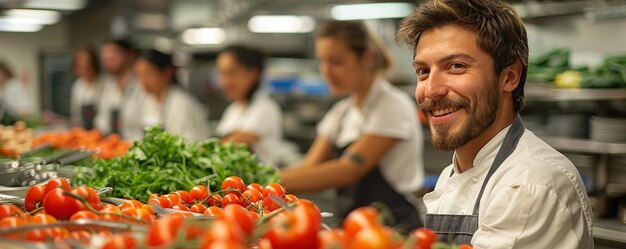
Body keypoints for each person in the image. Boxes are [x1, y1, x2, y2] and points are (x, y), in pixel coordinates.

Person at [396, 0, 593, 247]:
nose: (431, 90)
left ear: (509, 77)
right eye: (423, 71)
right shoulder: (453, 173)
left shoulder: (528, 185)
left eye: (456, 66)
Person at [280, 20, 425, 230]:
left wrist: (270, 179)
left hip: (394, 228)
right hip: (356, 226)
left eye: (336, 62)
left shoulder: (392, 105)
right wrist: (262, 180)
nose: (326, 71)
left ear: (366, 57)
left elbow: (348, 170)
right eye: (322, 61)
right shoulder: (341, 112)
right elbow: (309, 167)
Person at [215, 45, 282, 164]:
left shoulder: (264, 107)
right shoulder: (232, 110)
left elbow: (237, 141)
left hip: (259, 181)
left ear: (253, 74)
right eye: (222, 73)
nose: (225, 81)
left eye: (232, 73)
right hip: (234, 181)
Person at [131, 49, 210, 141]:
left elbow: (189, 143)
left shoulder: (183, 104)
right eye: (140, 75)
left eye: (148, 74)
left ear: (167, 72)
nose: (143, 81)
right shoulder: (146, 101)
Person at [94, 39, 146, 137]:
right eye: (105, 58)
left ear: (129, 54)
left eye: (113, 55)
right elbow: (102, 121)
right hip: (113, 145)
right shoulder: (108, 85)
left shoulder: (143, 83)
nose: (108, 60)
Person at [70, 47, 104, 130]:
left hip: (102, 131)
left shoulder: (105, 84)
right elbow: (75, 114)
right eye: (80, 66)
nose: (84, 69)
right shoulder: (78, 85)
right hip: (84, 131)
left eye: (87, 65)